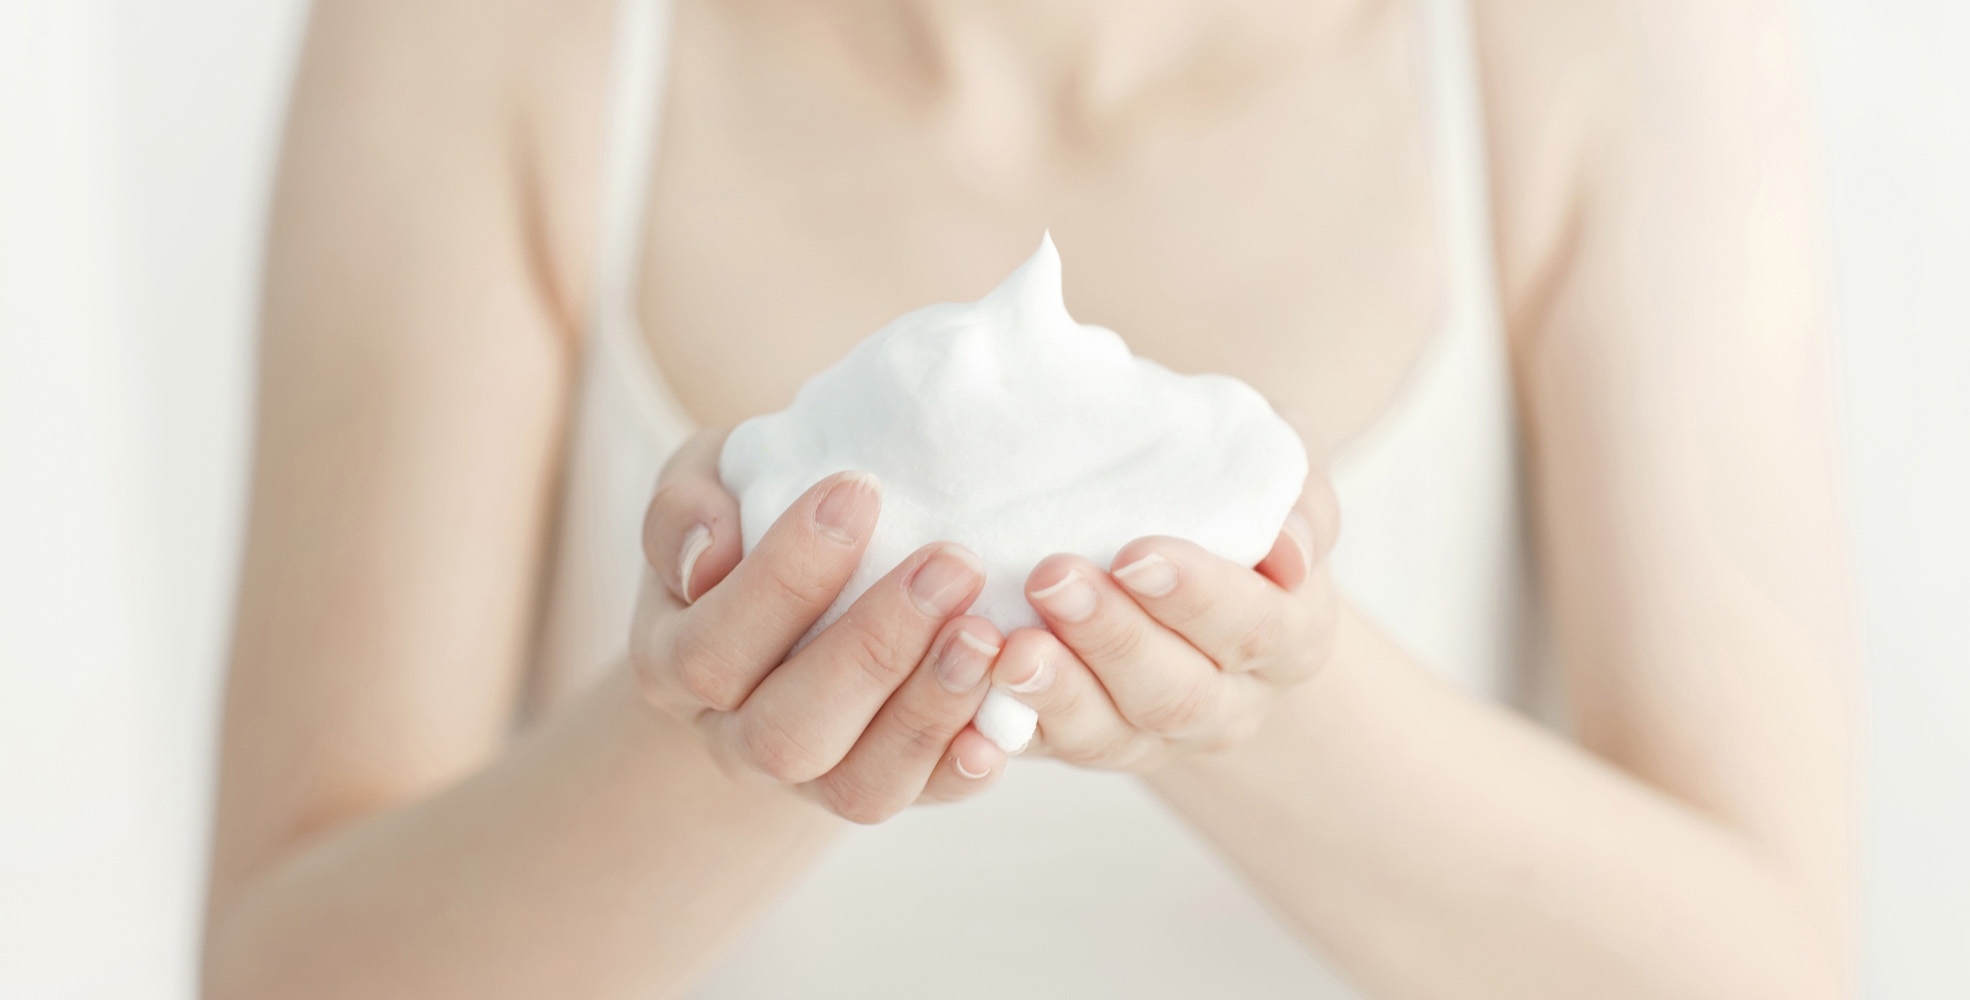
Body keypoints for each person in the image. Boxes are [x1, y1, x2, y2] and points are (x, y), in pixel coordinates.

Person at [201, 0, 1858, 996]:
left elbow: (1767, 971)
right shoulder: (486, 41)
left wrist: (1257, 703)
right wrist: (725, 731)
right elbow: (287, 973)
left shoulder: (1606, 44)